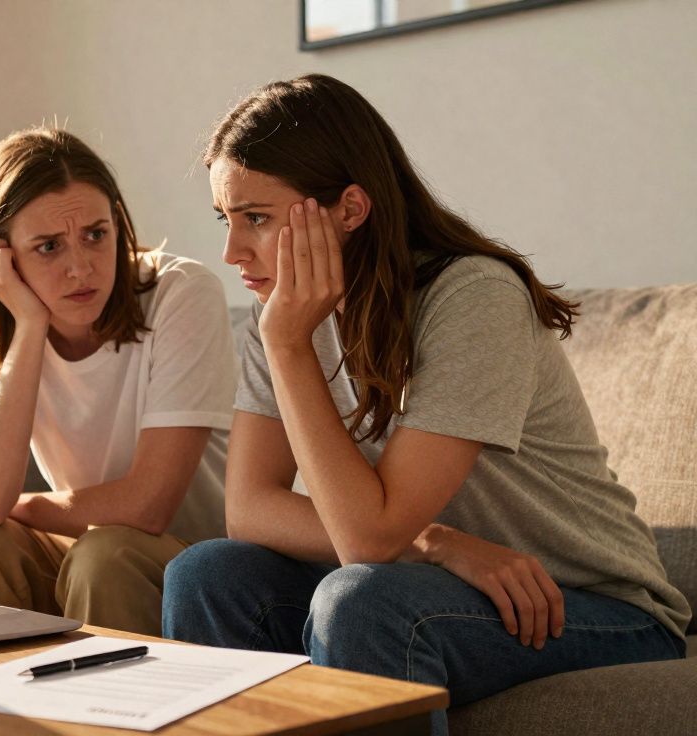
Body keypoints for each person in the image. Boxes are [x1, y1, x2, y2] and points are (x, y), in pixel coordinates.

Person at [161, 74, 689, 734]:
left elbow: (366, 538)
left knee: (362, 603)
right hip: (443, 585)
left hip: (591, 604)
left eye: (257, 219)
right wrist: (435, 544)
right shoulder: (284, 313)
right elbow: (249, 508)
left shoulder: (473, 298)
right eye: (226, 218)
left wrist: (291, 347)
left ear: (349, 210)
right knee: (206, 575)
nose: (232, 251)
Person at [0, 127, 236, 637]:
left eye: (95, 234)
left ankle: (110, 714)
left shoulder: (181, 293)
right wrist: (28, 327)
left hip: (192, 554)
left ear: (118, 225)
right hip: (89, 540)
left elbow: (148, 506)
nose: (81, 268)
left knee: (106, 556)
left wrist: (24, 507)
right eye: (48, 247)